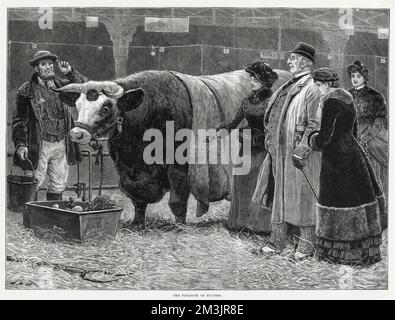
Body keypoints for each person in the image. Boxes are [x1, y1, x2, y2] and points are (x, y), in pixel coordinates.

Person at [308, 67, 385, 265]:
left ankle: (338, 254)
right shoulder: (348, 98)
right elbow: (354, 130)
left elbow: (324, 137)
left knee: (338, 203)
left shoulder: (330, 102)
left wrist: (311, 139)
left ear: (326, 84)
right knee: (356, 199)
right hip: (353, 154)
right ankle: (362, 253)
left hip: (336, 159)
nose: (318, 89)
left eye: (318, 85)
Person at [252, 42, 322, 259]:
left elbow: (315, 124)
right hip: (279, 152)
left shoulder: (312, 88)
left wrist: (302, 148)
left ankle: (305, 247)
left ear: (305, 62)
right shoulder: (288, 85)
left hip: (300, 155)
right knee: (279, 198)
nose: (289, 61)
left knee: (304, 199)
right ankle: (277, 242)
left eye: (293, 58)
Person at [12, 50, 87, 201]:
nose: (48, 67)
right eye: (43, 64)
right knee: (34, 181)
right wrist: (21, 144)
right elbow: (20, 120)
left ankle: (53, 216)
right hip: (39, 144)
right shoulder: (26, 91)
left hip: (62, 142)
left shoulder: (62, 85)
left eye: (50, 64)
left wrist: (70, 73)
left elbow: (84, 89)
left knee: (58, 184)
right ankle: (30, 220)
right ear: (36, 68)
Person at [216, 59, 278, 233]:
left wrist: (264, 138)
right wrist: (224, 128)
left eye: (255, 79)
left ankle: (260, 225)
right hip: (246, 148)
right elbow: (235, 122)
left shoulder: (272, 100)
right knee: (243, 183)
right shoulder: (247, 100)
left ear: (264, 81)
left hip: (263, 149)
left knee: (258, 185)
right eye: (251, 78)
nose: (251, 82)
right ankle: (242, 222)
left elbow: (274, 126)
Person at [347, 60, 388, 227]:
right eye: (352, 76)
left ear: (365, 77)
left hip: (370, 141)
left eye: (358, 76)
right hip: (350, 138)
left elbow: (379, 122)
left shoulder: (375, 96)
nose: (355, 79)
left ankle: (376, 218)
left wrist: (365, 138)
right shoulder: (348, 94)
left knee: (372, 181)